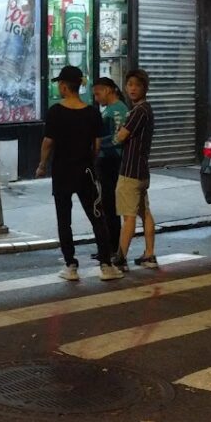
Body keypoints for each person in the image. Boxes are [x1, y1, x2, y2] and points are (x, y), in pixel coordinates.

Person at [35, 65, 124, 283]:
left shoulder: (55, 112)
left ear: (65, 87)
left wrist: (42, 165)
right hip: (86, 172)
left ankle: (71, 266)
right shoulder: (92, 112)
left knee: (64, 220)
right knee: (97, 217)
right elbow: (95, 146)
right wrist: (89, 161)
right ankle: (106, 264)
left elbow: (48, 142)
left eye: (60, 84)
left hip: (62, 171)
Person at [112, 68, 158, 270]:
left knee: (128, 215)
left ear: (144, 88)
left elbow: (121, 136)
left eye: (137, 85)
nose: (132, 89)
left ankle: (121, 258)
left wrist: (117, 133)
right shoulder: (147, 110)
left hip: (130, 171)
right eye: (129, 84)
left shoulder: (139, 111)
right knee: (144, 212)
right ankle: (149, 255)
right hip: (142, 171)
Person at [91, 76, 128, 256]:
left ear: (107, 90)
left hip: (111, 162)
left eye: (98, 94)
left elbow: (117, 139)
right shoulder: (112, 109)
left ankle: (112, 247)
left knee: (110, 205)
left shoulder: (117, 110)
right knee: (106, 205)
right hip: (106, 161)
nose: (97, 99)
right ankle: (109, 246)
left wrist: (95, 145)